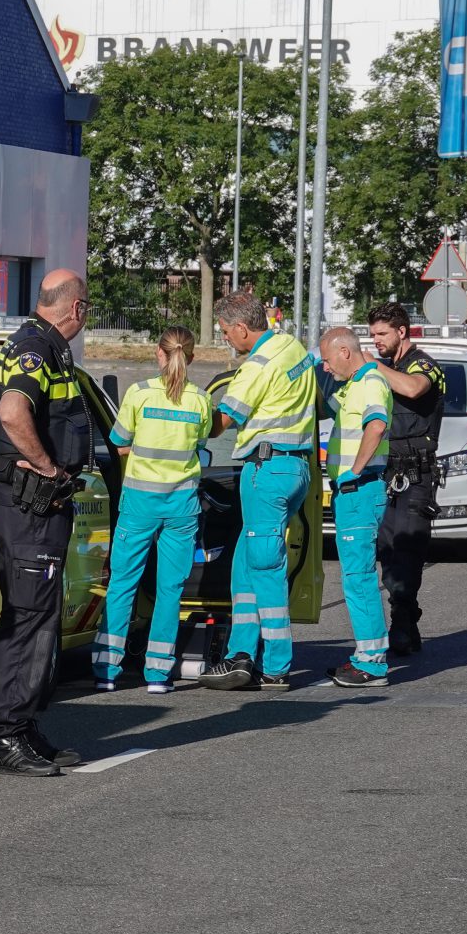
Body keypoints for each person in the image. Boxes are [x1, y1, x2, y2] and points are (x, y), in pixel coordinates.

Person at [0, 269, 93, 776]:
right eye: (86, 308)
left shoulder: (40, 344)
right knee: (28, 621)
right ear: (75, 308)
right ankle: (8, 736)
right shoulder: (37, 347)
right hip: (30, 505)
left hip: (32, 507)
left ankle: (23, 727)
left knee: (35, 617)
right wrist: (49, 468)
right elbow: (11, 411)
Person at [199, 291, 318, 692]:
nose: (226, 340)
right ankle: (240, 655)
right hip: (297, 467)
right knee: (244, 564)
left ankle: (276, 665)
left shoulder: (256, 366)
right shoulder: (292, 345)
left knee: (265, 567)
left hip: (266, 469)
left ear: (242, 327)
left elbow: (221, 422)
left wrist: (188, 412)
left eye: (226, 332)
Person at [93, 326, 213, 694]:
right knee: (170, 591)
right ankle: (158, 675)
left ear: (159, 355)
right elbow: (201, 444)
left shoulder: (139, 394)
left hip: (139, 504)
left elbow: (116, 443)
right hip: (181, 507)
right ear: (190, 358)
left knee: (122, 585)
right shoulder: (200, 400)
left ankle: (106, 671)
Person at [366, 302, 445, 655]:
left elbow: (413, 389)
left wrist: (372, 366)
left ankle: (400, 622)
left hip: (416, 475)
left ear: (401, 331)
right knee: (386, 549)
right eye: (372, 335)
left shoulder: (423, 364)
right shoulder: (386, 366)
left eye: (381, 334)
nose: (376, 341)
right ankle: (406, 616)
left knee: (408, 550)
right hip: (387, 473)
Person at [317, 326, 394, 687]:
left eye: (328, 360)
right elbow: (322, 405)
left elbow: (376, 426)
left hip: (359, 491)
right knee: (355, 577)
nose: (327, 368)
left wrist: (353, 472)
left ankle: (372, 662)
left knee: (359, 578)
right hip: (354, 492)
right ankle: (366, 655)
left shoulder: (370, 384)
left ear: (345, 352)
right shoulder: (353, 385)